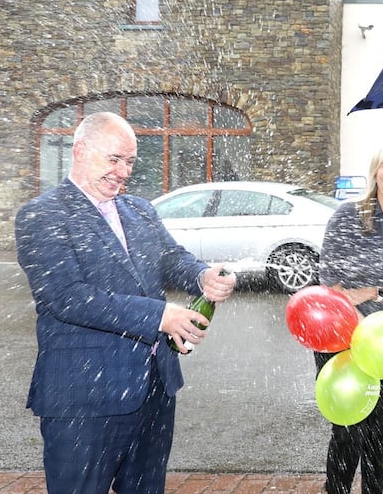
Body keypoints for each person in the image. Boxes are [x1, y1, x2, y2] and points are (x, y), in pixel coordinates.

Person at [14, 111, 237, 494]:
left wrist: (202, 276)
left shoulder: (140, 210)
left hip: (154, 391)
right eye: (113, 159)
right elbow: (67, 297)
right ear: (80, 151)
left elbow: (170, 259)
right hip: (83, 401)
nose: (123, 171)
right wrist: (160, 316)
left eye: (130, 161)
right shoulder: (42, 215)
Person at [313, 136, 383, 494]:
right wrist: (375, 297)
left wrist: (374, 293)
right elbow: (330, 283)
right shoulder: (348, 216)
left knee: (380, 432)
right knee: (347, 428)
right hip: (341, 338)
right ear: (376, 172)